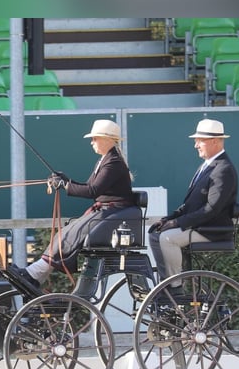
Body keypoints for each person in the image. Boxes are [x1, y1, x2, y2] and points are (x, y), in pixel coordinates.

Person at [10, 119, 143, 295]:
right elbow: (89, 187)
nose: (92, 142)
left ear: (108, 139)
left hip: (113, 214)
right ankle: (35, 273)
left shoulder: (114, 163)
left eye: (95, 138)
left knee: (72, 234)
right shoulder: (104, 161)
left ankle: (34, 274)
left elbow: (92, 190)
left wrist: (65, 185)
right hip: (105, 211)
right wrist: (66, 180)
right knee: (64, 233)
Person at [148, 118, 238, 294]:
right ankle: (165, 281)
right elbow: (190, 204)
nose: (196, 145)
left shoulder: (223, 169)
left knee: (168, 238)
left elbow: (211, 209)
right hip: (200, 226)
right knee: (154, 234)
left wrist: (178, 224)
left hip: (210, 229)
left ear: (215, 141)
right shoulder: (206, 166)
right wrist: (170, 218)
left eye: (199, 140)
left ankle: (175, 288)